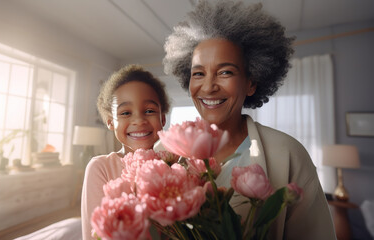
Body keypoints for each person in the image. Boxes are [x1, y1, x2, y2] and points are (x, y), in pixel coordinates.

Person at [162, 1, 336, 239]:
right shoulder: (163, 154)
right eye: (199, 73)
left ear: (251, 83)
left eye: (225, 72)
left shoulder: (289, 154)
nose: (209, 87)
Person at [81, 64, 170, 239]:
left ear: (163, 118)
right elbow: (93, 235)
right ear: (110, 122)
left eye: (150, 111)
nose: (138, 120)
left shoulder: (175, 165)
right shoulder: (100, 167)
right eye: (125, 113)